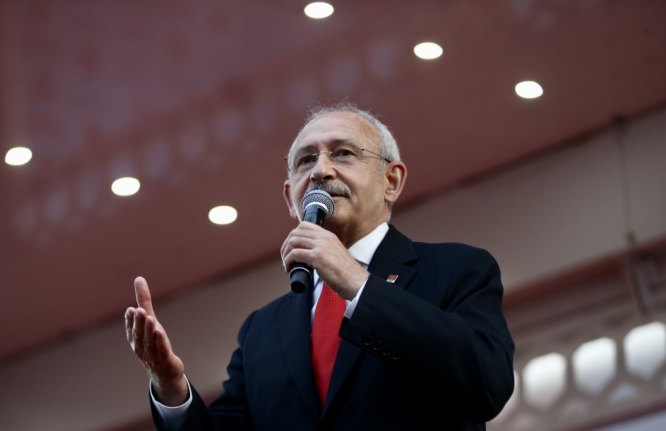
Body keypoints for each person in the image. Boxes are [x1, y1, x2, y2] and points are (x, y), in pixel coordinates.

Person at [125, 103, 515, 430]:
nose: (320, 171)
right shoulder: (262, 329)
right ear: (290, 198)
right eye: (306, 160)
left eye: (343, 153)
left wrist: (357, 283)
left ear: (391, 181)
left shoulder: (457, 270)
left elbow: (487, 382)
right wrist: (171, 388)